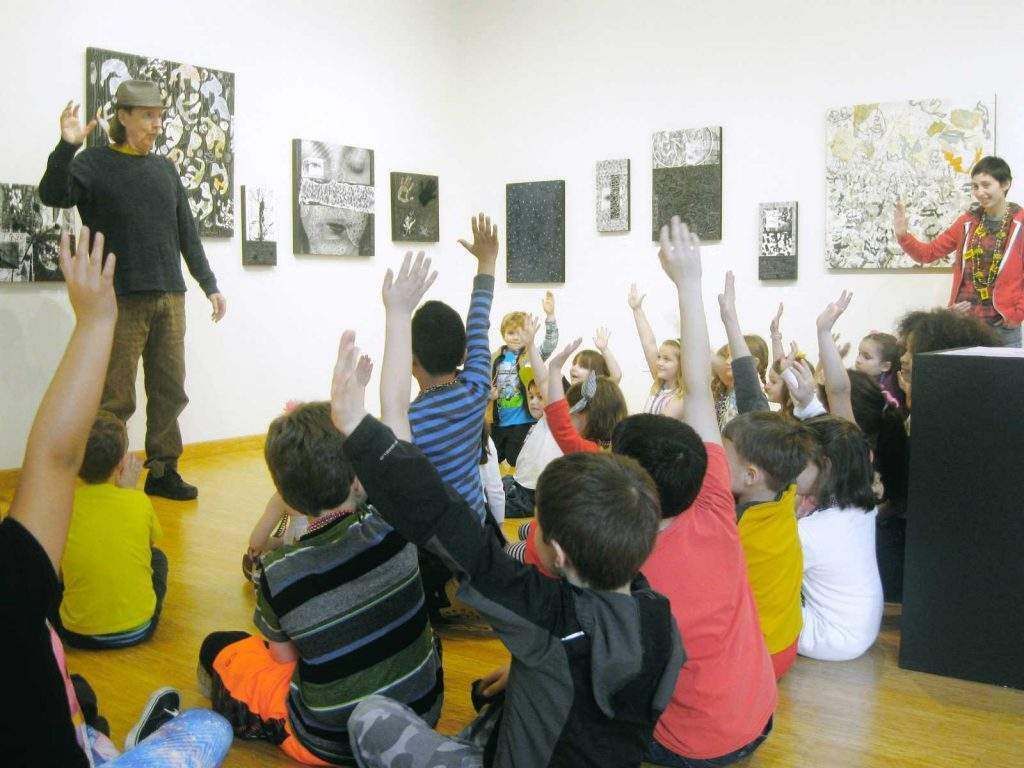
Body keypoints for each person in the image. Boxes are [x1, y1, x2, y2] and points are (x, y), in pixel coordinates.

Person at [327, 329, 684, 768]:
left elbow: (445, 521)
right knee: (499, 699)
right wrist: (528, 671)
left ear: (560, 554)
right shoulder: (662, 618)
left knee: (369, 717)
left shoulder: (548, 615)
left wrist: (356, 429)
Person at [0, 227, 231, 766]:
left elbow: (59, 463)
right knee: (207, 724)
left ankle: (97, 736)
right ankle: (102, 741)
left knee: (81, 693)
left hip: (77, 634)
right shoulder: (11, 571)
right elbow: (56, 458)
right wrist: (97, 320)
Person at [612, 225, 777, 767]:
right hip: (759, 714)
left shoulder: (624, 561)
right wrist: (689, 282)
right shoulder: (715, 503)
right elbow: (702, 387)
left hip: (694, 750)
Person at [199, 401, 443, 765]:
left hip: (329, 742)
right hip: (422, 713)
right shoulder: (393, 523)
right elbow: (396, 430)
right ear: (356, 474)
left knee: (220, 647)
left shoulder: (278, 571)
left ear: (287, 498)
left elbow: (282, 658)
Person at [39, 83, 227, 501]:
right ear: (122, 116)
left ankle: (162, 470)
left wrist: (209, 285)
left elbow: (187, 233)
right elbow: (53, 194)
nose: (157, 124)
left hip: (170, 298)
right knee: (115, 396)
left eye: (160, 115)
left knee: (169, 390)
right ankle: (107, 475)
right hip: (119, 298)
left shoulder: (165, 170)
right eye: (148, 115)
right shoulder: (93, 163)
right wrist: (66, 147)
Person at [378, 217, 496, 618]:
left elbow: (390, 409)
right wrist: (487, 263)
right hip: (474, 528)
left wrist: (396, 315)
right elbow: (479, 322)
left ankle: (449, 593)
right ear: (463, 354)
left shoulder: (411, 421)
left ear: (412, 362)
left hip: (437, 545)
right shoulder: (477, 386)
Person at [56, 411, 167, 649]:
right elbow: (146, 550)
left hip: (76, 634)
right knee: (159, 559)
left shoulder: (62, 507)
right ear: (120, 463)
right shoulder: (139, 501)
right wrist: (127, 491)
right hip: (140, 630)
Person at [722, 411, 818, 680]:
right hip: (785, 643)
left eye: (723, 456)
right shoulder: (784, 494)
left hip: (757, 658)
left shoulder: (741, 525)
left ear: (751, 476)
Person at [894, 156, 1024, 347]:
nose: (980, 193)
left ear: (1005, 184)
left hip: (1002, 327)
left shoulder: (1019, 224)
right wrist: (903, 235)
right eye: (975, 186)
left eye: (986, 185)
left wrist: (1017, 313)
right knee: (964, 377)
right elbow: (928, 253)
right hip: (965, 325)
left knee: (1004, 377)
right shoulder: (967, 222)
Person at [797, 417, 884, 661]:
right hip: (859, 630)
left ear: (826, 467)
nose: (791, 466)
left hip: (829, 637)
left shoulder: (814, 533)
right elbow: (840, 439)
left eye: (799, 460)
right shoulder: (861, 505)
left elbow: (765, 573)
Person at [490, 291, 559, 465]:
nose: (515, 337)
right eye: (511, 333)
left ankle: (517, 488)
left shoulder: (531, 355)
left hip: (523, 420)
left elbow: (550, 344)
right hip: (499, 421)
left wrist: (550, 316)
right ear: (503, 334)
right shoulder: (496, 357)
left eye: (521, 333)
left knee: (516, 459)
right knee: (492, 458)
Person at [628, 283, 686, 417]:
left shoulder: (681, 397)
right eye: (659, 357)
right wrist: (637, 310)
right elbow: (649, 344)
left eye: (667, 359)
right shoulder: (660, 383)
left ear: (681, 365)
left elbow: (659, 428)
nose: (659, 362)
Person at [855, 331, 906, 408]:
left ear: (885, 366)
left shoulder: (887, 393)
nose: (858, 360)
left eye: (866, 357)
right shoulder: (858, 378)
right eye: (859, 354)